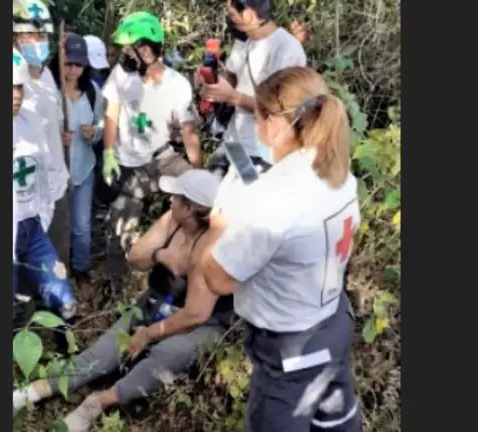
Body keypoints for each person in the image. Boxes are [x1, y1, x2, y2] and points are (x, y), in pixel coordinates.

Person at [200, 67, 363, 431]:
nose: (256, 130)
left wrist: (220, 224)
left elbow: (217, 278)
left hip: (289, 353)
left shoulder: (270, 198)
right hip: (332, 328)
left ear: (276, 122)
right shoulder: (340, 173)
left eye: (258, 118)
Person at [12, 169, 234, 432]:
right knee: (103, 352)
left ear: (188, 208)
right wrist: (161, 255)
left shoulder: (211, 246)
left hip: (202, 323)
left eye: (175, 198)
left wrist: (149, 334)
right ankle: (35, 390)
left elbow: (196, 314)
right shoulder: (173, 221)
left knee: (169, 353)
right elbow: (136, 255)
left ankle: (99, 402)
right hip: (155, 303)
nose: (170, 201)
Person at [101, 12, 202, 254]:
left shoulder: (177, 85)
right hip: (128, 160)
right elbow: (111, 114)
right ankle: (116, 276)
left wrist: (198, 173)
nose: (124, 55)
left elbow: (188, 132)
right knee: (120, 218)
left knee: (199, 200)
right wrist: (108, 152)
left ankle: (189, 256)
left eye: (129, 49)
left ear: (146, 51)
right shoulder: (121, 75)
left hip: (162, 157)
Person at [202, 0, 306, 176]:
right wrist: (214, 84)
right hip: (233, 142)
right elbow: (232, 76)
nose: (229, 12)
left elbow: (280, 110)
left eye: (234, 8)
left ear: (251, 12)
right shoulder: (243, 41)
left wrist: (232, 97)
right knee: (209, 195)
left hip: (259, 153)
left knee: (243, 198)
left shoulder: (287, 50)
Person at [13, 48, 77, 321]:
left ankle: (68, 352)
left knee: (64, 296)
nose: (16, 94)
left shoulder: (31, 122)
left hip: (33, 228)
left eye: (19, 87)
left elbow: (47, 168)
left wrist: (44, 212)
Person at [13, 0, 71, 268]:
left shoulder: (46, 74)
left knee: (57, 261)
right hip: (24, 198)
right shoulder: (15, 81)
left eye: (45, 35)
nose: (41, 41)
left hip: (56, 183)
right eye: (34, 35)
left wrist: (61, 137)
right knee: (26, 268)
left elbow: (52, 121)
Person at [45, 33, 103, 286]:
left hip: (83, 168)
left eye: (79, 64)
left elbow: (103, 125)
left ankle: (81, 267)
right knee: (57, 226)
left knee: (81, 224)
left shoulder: (92, 91)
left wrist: (94, 133)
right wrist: (58, 139)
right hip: (56, 170)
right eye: (69, 63)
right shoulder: (50, 93)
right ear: (60, 61)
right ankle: (57, 271)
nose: (74, 69)